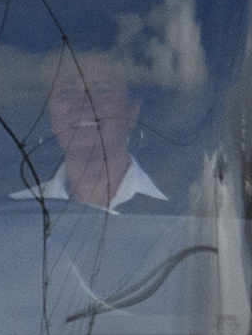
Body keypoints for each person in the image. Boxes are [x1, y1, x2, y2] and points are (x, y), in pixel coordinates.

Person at [16, 43, 178, 211]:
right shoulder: (15, 216)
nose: (83, 103)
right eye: (66, 91)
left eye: (102, 89)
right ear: (50, 113)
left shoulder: (178, 217)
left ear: (132, 110)